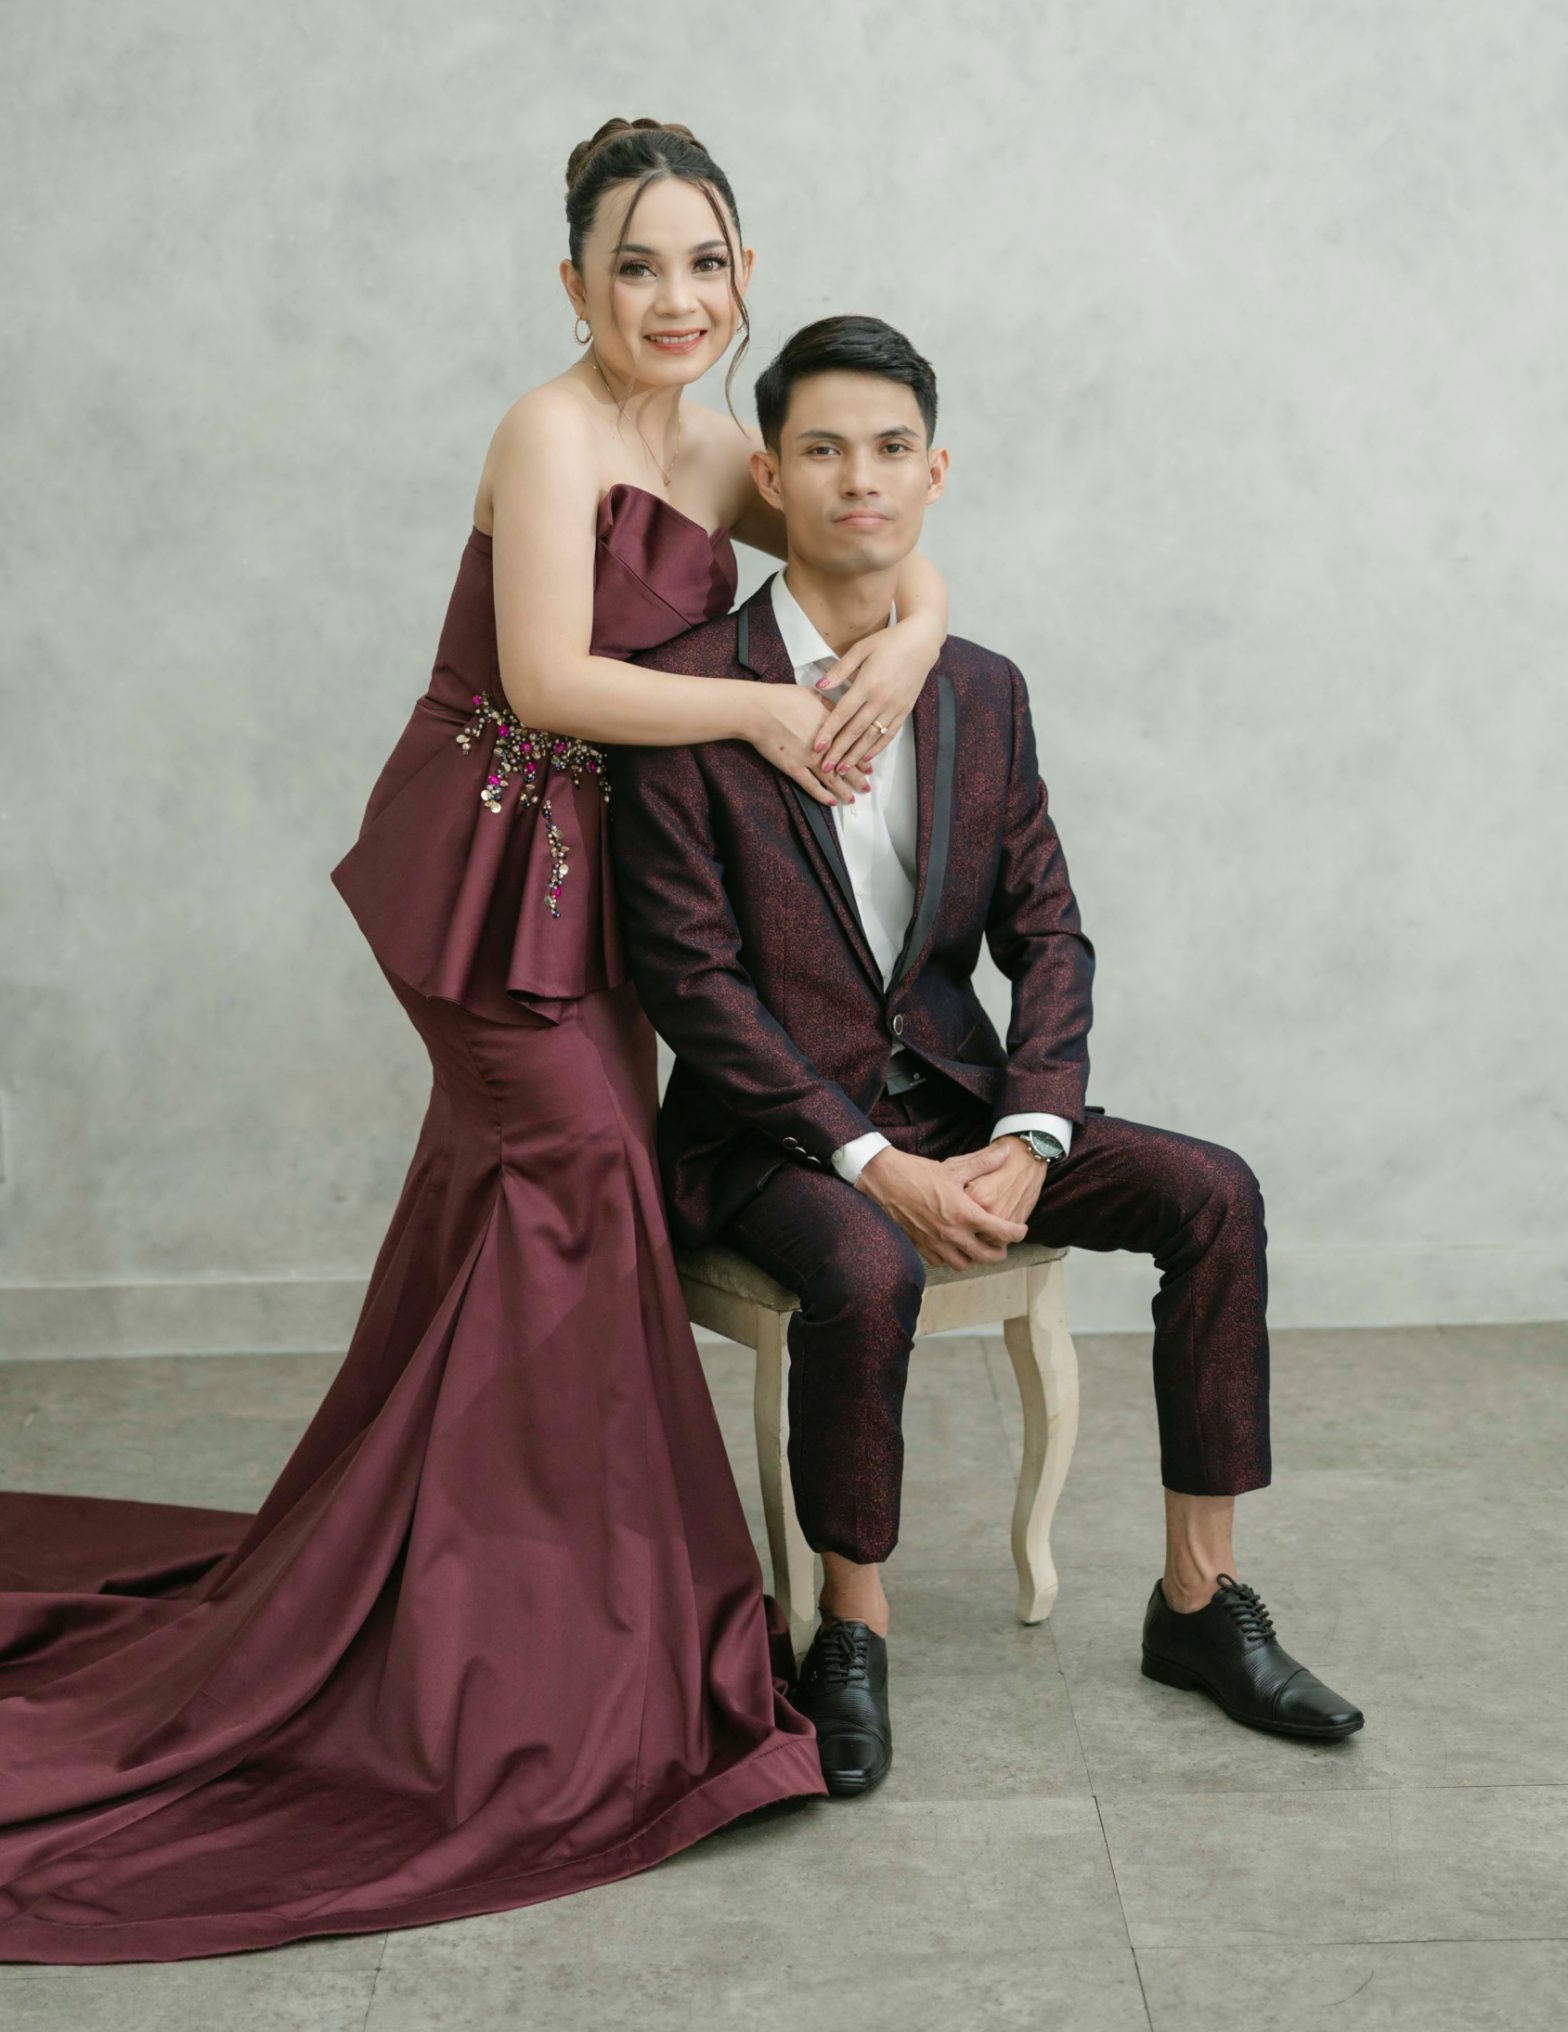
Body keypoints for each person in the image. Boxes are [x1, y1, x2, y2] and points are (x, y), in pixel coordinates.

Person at [0, 125, 955, 1960]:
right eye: (636, 265)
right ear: (574, 283)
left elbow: (882, 541)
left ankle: (425, 1602)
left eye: (705, 262)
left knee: (491, 1232)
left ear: (744, 274)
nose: (675, 298)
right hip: (489, 861)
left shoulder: (723, 445)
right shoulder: (550, 433)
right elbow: (547, 683)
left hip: (617, 891)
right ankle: (574, 1653)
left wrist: (919, 632)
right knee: (589, 1184)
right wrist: (766, 715)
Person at [606, 312, 1366, 1799]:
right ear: (773, 473)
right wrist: (871, 1163)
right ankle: (850, 1629)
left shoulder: (981, 689)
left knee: (1215, 1194)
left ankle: (1201, 1601)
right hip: (766, 1136)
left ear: (935, 472)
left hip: (959, 1102)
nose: (860, 479)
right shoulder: (690, 696)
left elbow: (1051, 936)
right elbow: (693, 988)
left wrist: (1029, 1135)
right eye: (824, 449)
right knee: (866, 1264)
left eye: (891, 448)